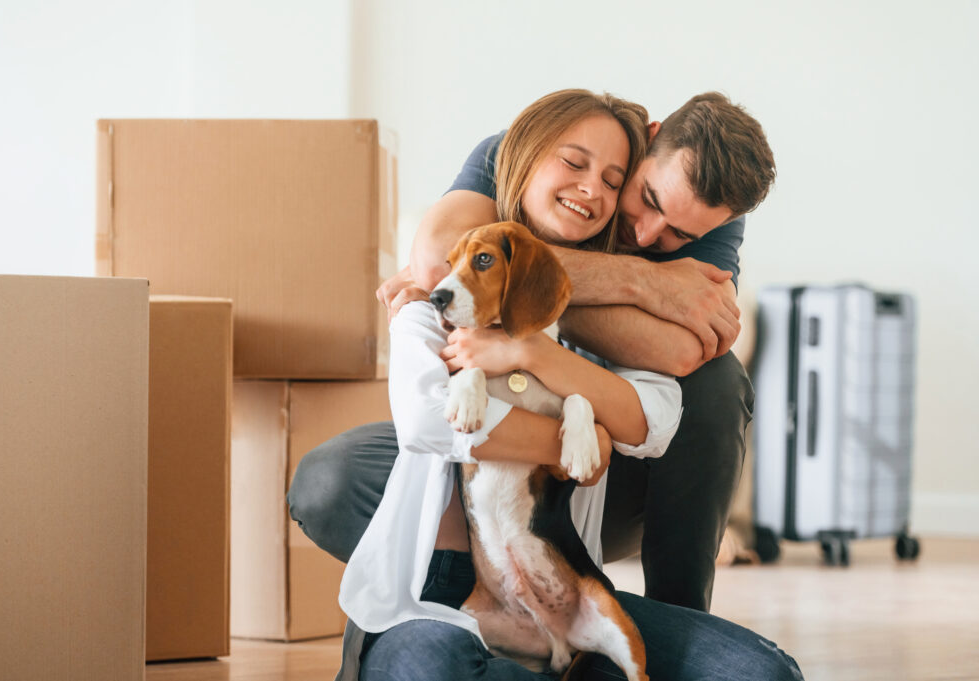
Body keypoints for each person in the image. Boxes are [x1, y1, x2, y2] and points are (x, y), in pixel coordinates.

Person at [334, 88, 800, 681]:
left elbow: (683, 355)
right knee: (334, 474)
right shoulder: (523, 158)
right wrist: (642, 285)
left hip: (575, 517)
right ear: (650, 140)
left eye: (678, 237)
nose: (650, 234)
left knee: (718, 381)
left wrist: (527, 328)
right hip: (457, 549)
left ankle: (672, 613)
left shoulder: (707, 226)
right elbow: (432, 267)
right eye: (648, 197)